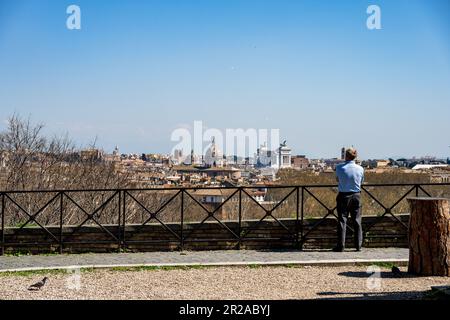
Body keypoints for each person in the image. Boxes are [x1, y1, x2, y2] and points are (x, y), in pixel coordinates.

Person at [333, 148, 364, 252]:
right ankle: (358, 245)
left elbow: (337, 180)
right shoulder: (360, 169)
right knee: (357, 220)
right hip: (356, 195)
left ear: (345, 156)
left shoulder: (339, 167)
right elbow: (361, 182)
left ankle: (341, 246)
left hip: (343, 196)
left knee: (342, 220)